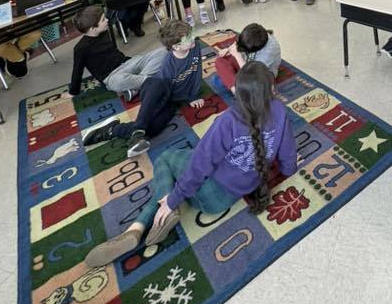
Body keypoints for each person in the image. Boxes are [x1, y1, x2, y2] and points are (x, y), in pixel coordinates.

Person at [84, 61, 298, 267]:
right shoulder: (279, 110)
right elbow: (288, 156)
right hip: (233, 195)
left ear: (238, 91)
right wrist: (288, 171)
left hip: (209, 195)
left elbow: (199, 166)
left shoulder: (228, 121)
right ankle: (141, 225)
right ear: (271, 88)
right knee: (193, 158)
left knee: (168, 157)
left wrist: (173, 199)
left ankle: (141, 223)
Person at [82, 20, 207, 157]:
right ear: (176, 47)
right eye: (188, 38)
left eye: (191, 34)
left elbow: (197, 72)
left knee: (153, 129)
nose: (193, 38)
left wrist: (194, 96)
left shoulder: (195, 48)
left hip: (174, 100)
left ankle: (114, 130)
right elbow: (161, 93)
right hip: (157, 93)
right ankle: (138, 129)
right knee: (158, 84)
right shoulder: (168, 63)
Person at [69, 6, 166, 101]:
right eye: (103, 20)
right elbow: (77, 71)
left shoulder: (104, 32)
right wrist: (73, 92)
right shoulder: (80, 49)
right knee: (118, 81)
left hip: (127, 63)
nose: (107, 20)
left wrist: (131, 62)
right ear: (92, 28)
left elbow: (114, 52)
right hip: (112, 77)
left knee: (164, 52)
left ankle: (136, 88)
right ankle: (151, 82)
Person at [215, 22, 282, 91]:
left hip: (259, 74)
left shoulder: (270, 51)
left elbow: (251, 75)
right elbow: (240, 42)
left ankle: (239, 92)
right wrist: (229, 49)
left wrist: (238, 56)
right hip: (246, 64)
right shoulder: (252, 34)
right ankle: (236, 89)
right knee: (220, 60)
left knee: (257, 84)